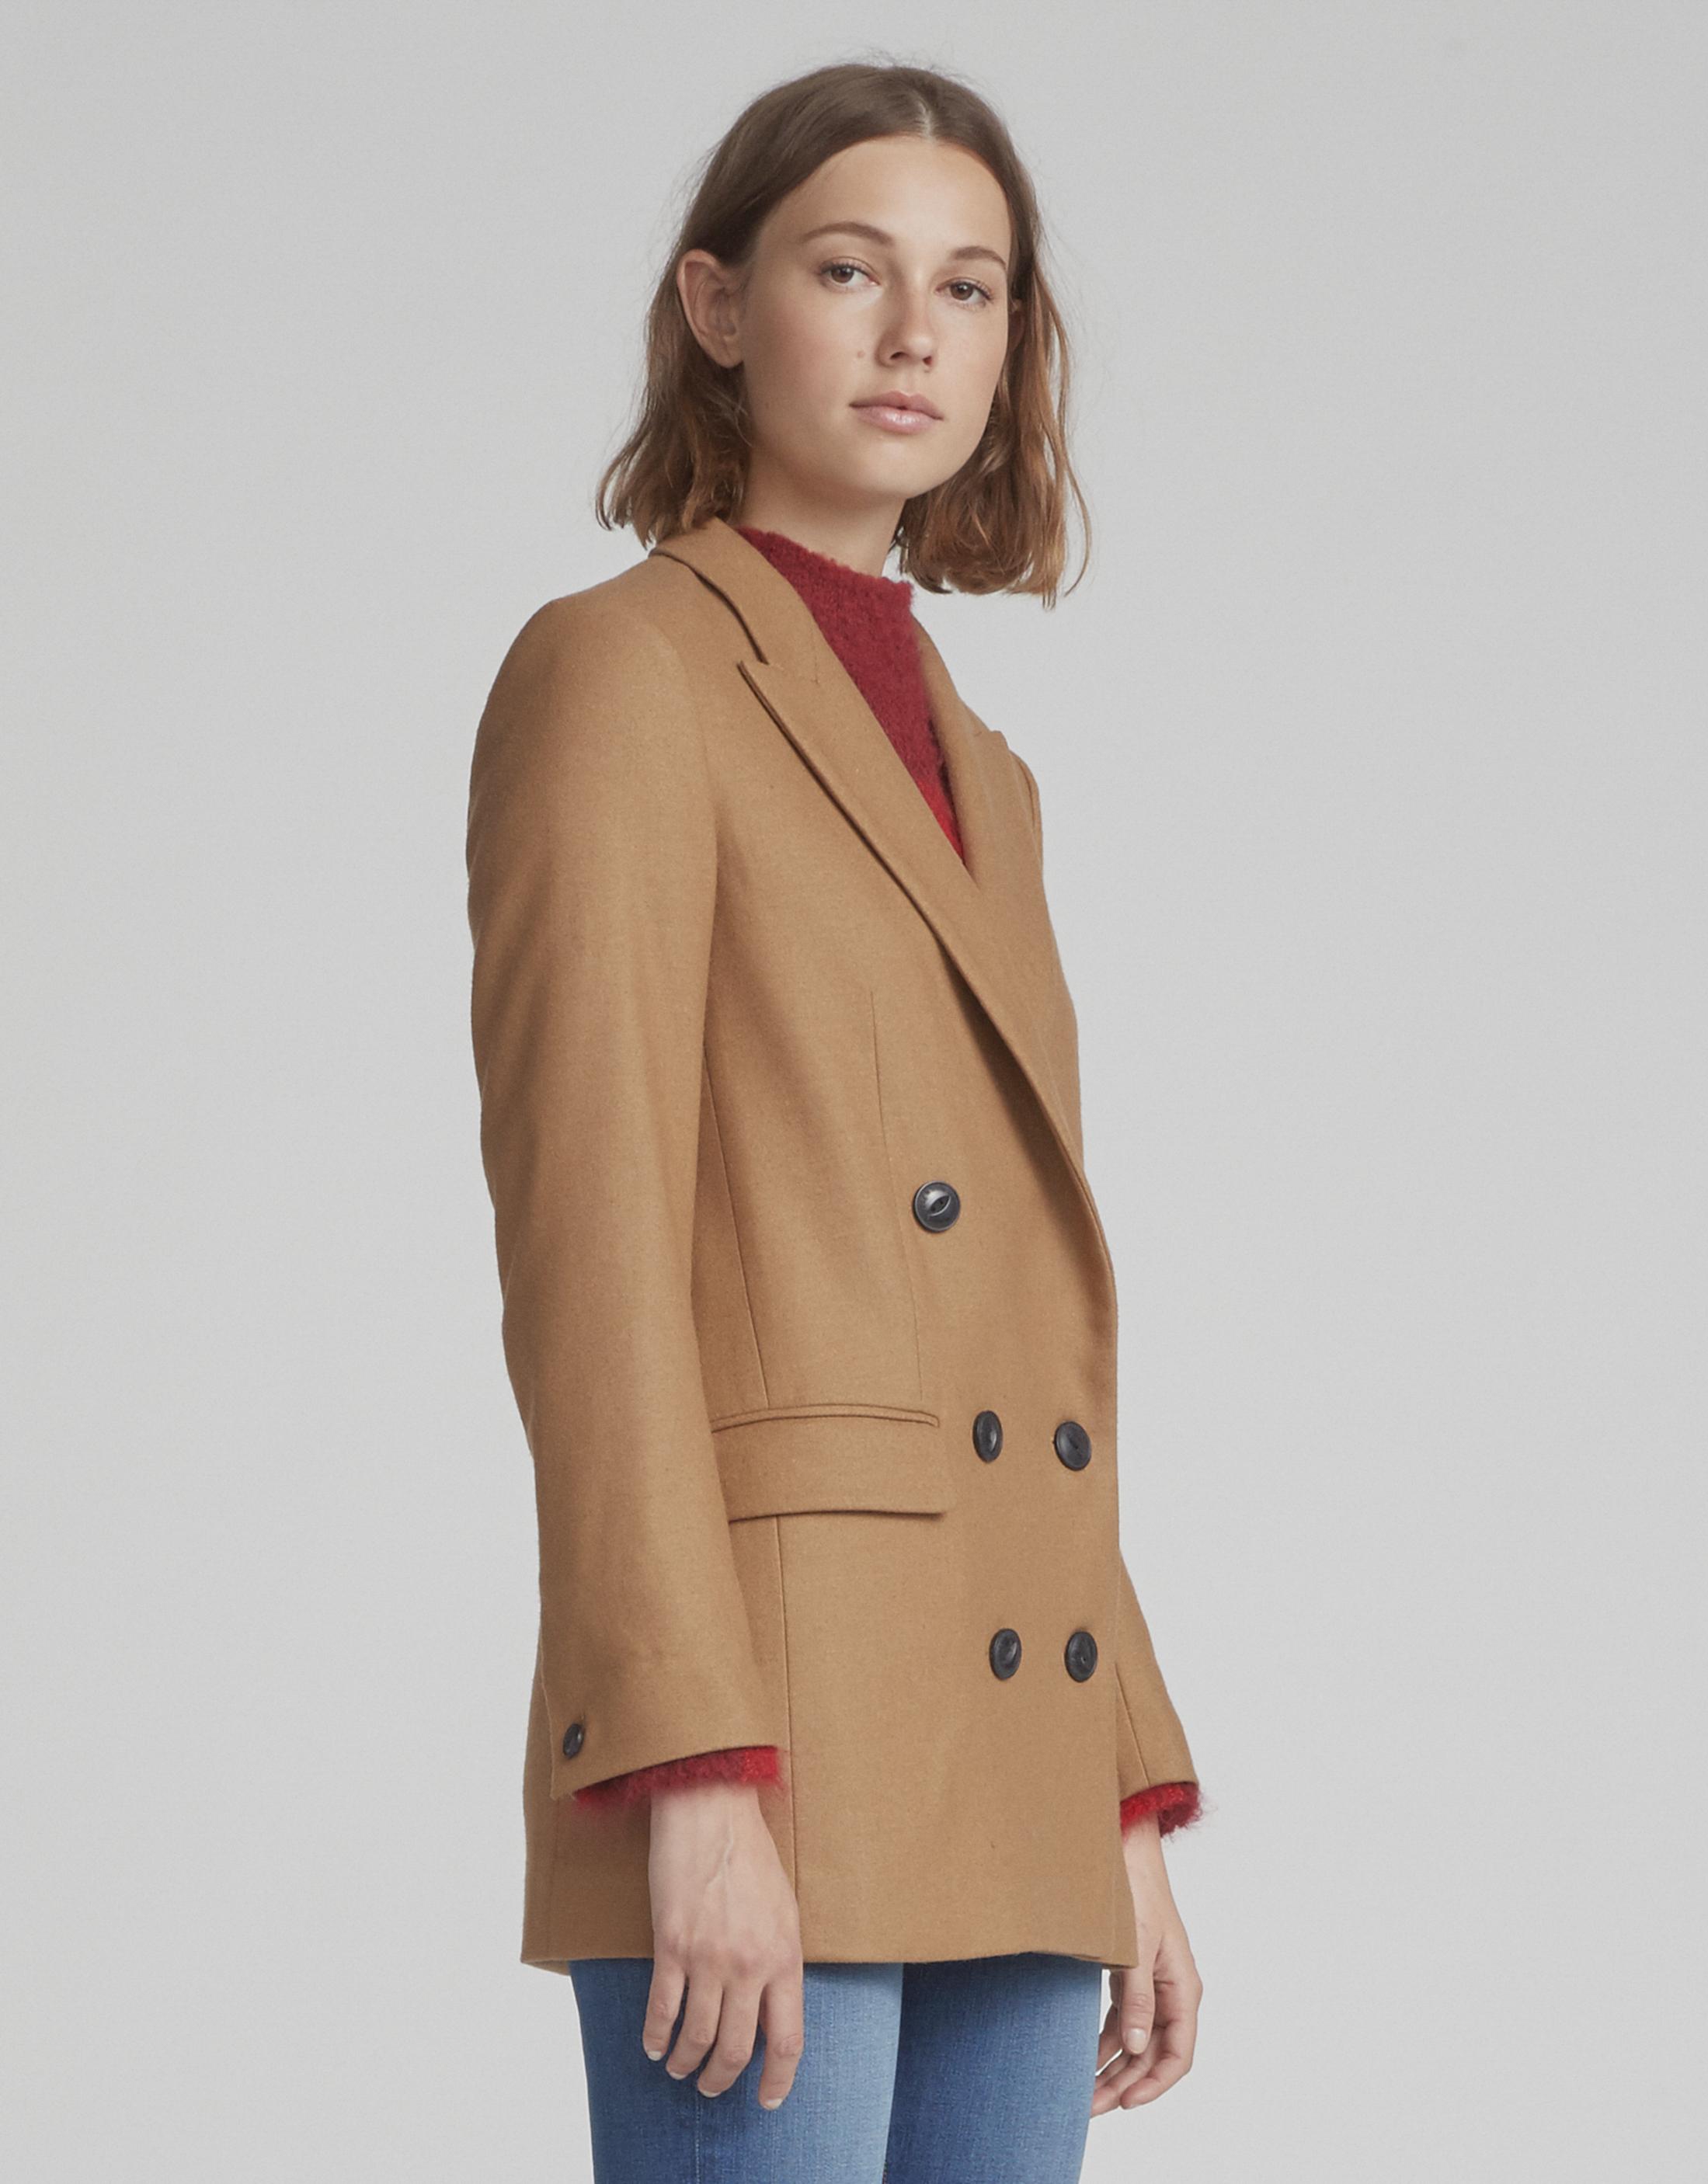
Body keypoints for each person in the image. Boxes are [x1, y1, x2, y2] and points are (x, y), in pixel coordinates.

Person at [465, 57, 1209, 2184]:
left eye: (969, 288)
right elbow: (593, 1254)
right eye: (847, 270)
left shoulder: (987, 774)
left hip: (1012, 1718)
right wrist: (686, 1764)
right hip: (769, 1721)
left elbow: (1013, 1320)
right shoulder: (621, 674)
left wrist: (1120, 1781)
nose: (913, 337)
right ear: (717, 306)